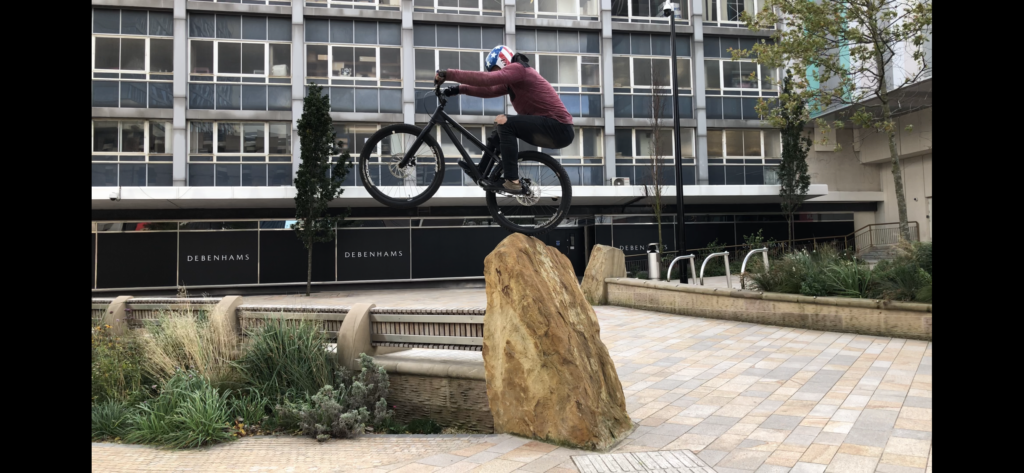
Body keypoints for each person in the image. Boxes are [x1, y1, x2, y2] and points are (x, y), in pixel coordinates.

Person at [435, 45, 574, 194]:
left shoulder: (519, 68)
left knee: (505, 122)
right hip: (551, 129)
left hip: (559, 127)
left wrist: (448, 74)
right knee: (500, 126)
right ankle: (481, 170)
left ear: (503, 61)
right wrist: (457, 89)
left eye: (495, 70)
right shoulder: (512, 83)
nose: (496, 75)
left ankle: (512, 181)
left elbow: (486, 80)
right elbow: (488, 90)